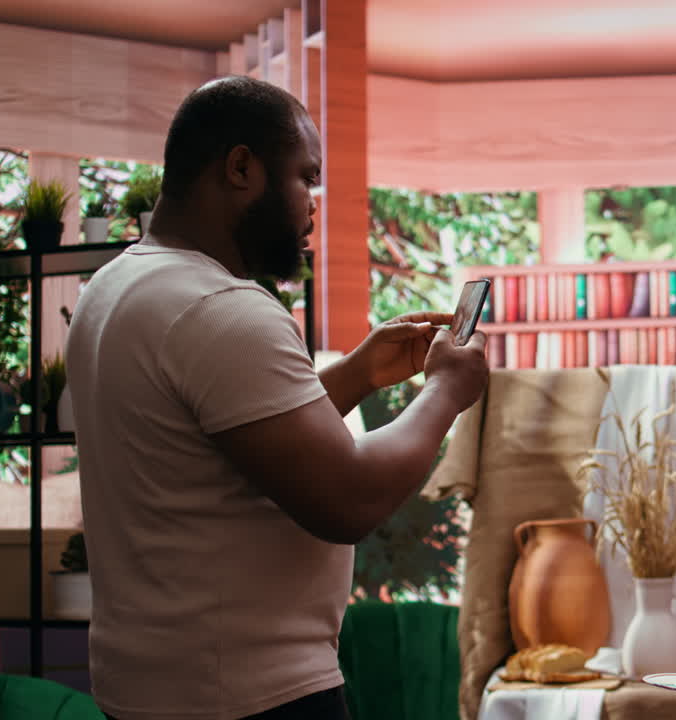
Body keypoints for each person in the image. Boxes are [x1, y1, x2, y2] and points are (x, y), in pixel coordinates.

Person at [64, 76, 489, 720]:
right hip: (248, 695)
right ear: (241, 167)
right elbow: (348, 497)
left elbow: (223, 444)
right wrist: (445, 391)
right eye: (305, 178)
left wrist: (355, 375)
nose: (313, 206)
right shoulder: (222, 308)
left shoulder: (117, 286)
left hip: (152, 688)